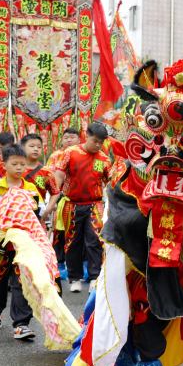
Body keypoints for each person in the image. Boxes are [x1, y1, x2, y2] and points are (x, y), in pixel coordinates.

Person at [0, 144, 42, 341]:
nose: (19, 168)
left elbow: (36, 212)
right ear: (4, 165)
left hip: (23, 244)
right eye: (14, 164)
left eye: (22, 164)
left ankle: (21, 324)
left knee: (21, 280)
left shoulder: (30, 188)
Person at [53, 123, 113, 293]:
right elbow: (58, 174)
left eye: (101, 142)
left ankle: (94, 277)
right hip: (72, 204)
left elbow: (110, 183)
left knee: (94, 239)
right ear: (87, 135)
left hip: (95, 204)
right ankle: (74, 278)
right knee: (72, 241)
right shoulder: (70, 153)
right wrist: (54, 197)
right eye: (95, 141)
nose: (98, 145)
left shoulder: (104, 159)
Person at [46, 128, 81, 281]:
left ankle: (80, 265)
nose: (68, 140)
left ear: (79, 139)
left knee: (78, 232)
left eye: (72, 137)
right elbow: (49, 177)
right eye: (65, 137)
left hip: (80, 197)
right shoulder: (55, 156)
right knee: (58, 232)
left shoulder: (84, 154)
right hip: (60, 196)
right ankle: (59, 263)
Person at [20, 133, 60, 222]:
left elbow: (55, 192)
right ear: (22, 148)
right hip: (17, 212)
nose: (35, 149)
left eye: (39, 147)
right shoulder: (17, 169)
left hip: (38, 215)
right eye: (32, 146)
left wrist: (48, 208)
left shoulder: (46, 172)